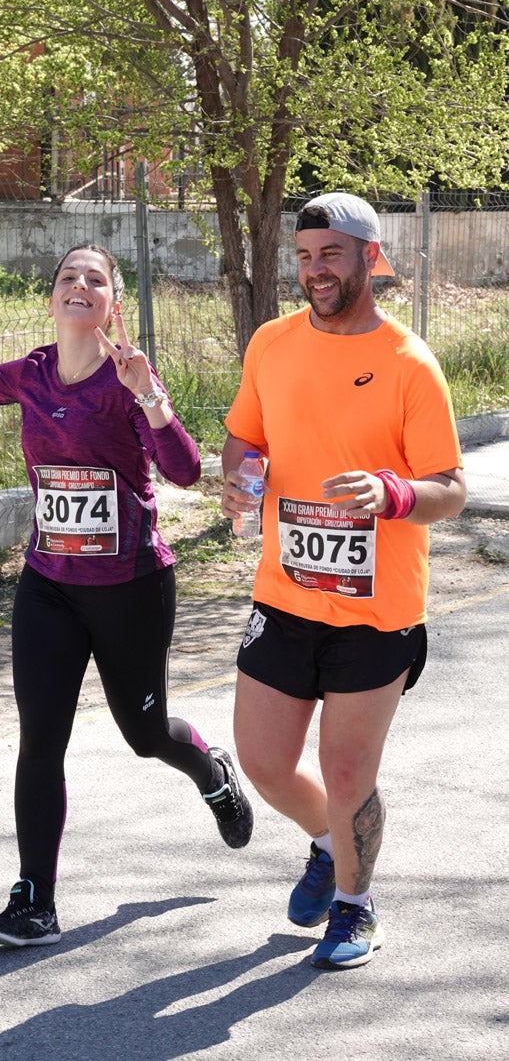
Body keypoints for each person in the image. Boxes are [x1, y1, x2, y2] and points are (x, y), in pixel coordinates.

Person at [0, 243, 253, 948]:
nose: (79, 285)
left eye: (94, 280)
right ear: (52, 298)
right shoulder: (32, 372)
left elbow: (187, 471)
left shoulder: (126, 377)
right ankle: (33, 901)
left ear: (111, 304)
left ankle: (210, 771)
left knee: (145, 735)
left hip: (130, 587)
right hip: (49, 586)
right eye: (68, 277)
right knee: (40, 738)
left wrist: (151, 399)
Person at [221, 193, 466, 970]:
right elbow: (242, 439)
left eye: (329, 254)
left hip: (375, 608)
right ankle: (328, 844)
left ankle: (355, 907)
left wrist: (392, 493)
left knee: (348, 770)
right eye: (302, 257)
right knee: (259, 758)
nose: (314, 270)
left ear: (367, 256)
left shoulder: (406, 363)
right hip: (284, 591)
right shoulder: (270, 343)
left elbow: (450, 490)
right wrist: (240, 480)